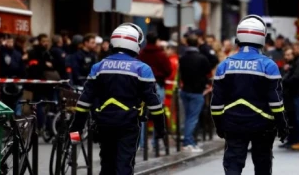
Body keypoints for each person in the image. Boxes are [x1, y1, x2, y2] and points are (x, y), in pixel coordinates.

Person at [70, 23, 166, 175]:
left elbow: (84, 100)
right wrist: (160, 129)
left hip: (103, 123)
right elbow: (154, 103)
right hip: (128, 124)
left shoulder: (98, 67)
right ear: (135, 43)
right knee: (124, 164)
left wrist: (76, 127)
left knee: (107, 164)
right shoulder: (142, 69)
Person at [211, 15, 288, 175]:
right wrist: (282, 125)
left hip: (233, 124)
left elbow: (216, 104)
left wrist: (219, 126)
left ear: (239, 37)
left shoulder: (224, 65)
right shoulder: (269, 65)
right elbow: (276, 102)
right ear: (262, 37)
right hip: (263, 125)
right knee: (262, 165)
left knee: (233, 165)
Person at [137, 32, 172, 150]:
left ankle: (141, 143)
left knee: (141, 114)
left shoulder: (141, 54)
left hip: (141, 85)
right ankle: (156, 142)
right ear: (156, 40)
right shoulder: (161, 54)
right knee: (157, 112)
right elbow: (168, 69)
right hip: (158, 84)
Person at [179, 34, 211, 152]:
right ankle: (188, 142)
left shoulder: (182, 58)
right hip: (197, 91)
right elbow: (207, 72)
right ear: (197, 44)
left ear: (187, 44)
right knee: (192, 118)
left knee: (188, 117)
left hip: (185, 90)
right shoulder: (202, 58)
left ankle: (190, 141)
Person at [0, 36, 25, 115]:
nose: (10, 44)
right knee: (7, 104)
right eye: (8, 42)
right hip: (5, 82)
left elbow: (20, 68)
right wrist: (2, 46)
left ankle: (17, 120)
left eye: (11, 42)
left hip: (16, 81)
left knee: (17, 105)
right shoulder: (2, 52)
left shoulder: (17, 54)